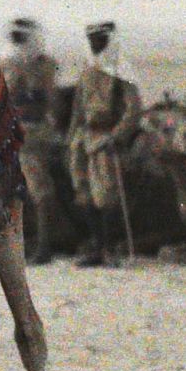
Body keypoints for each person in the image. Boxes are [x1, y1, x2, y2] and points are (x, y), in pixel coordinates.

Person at [66, 20, 141, 268]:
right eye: (92, 40)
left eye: (100, 40)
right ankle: (96, 247)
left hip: (106, 139)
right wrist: (71, 140)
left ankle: (110, 249)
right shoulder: (88, 70)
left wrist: (117, 136)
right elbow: (78, 108)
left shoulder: (122, 72)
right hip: (83, 140)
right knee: (84, 193)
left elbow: (133, 110)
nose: (95, 44)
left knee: (106, 196)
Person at [3, 17, 63, 265]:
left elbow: (52, 101)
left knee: (39, 190)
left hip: (33, 131)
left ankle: (44, 246)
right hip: (10, 132)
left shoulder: (44, 65)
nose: (17, 42)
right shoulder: (7, 64)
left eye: (21, 37)